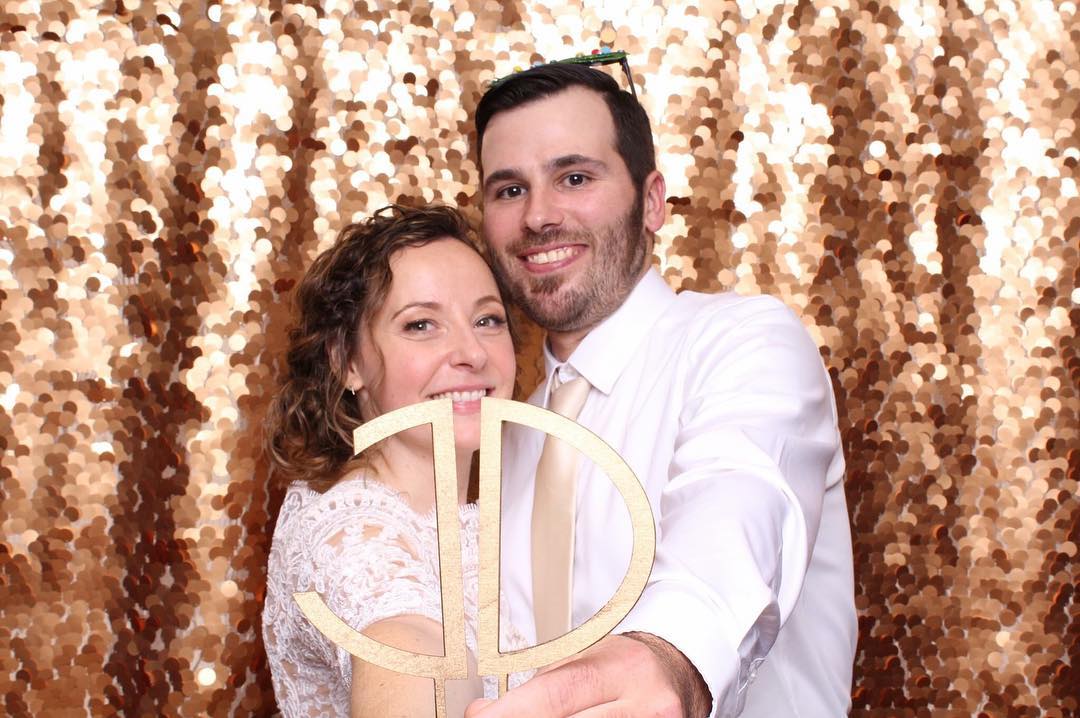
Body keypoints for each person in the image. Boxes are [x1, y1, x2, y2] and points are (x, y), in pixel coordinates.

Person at [465, 63, 857, 717]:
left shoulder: (746, 344)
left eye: (575, 177)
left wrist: (669, 659)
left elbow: (737, 513)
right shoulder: (504, 435)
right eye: (509, 190)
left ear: (652, 202)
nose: (538, 216)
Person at [262, 204, 530, 717]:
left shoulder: (453, 517)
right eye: (422, 324)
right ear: (347, 362)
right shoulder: (355, 535)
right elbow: (409, 638)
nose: (472, 352)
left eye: (487, 319)